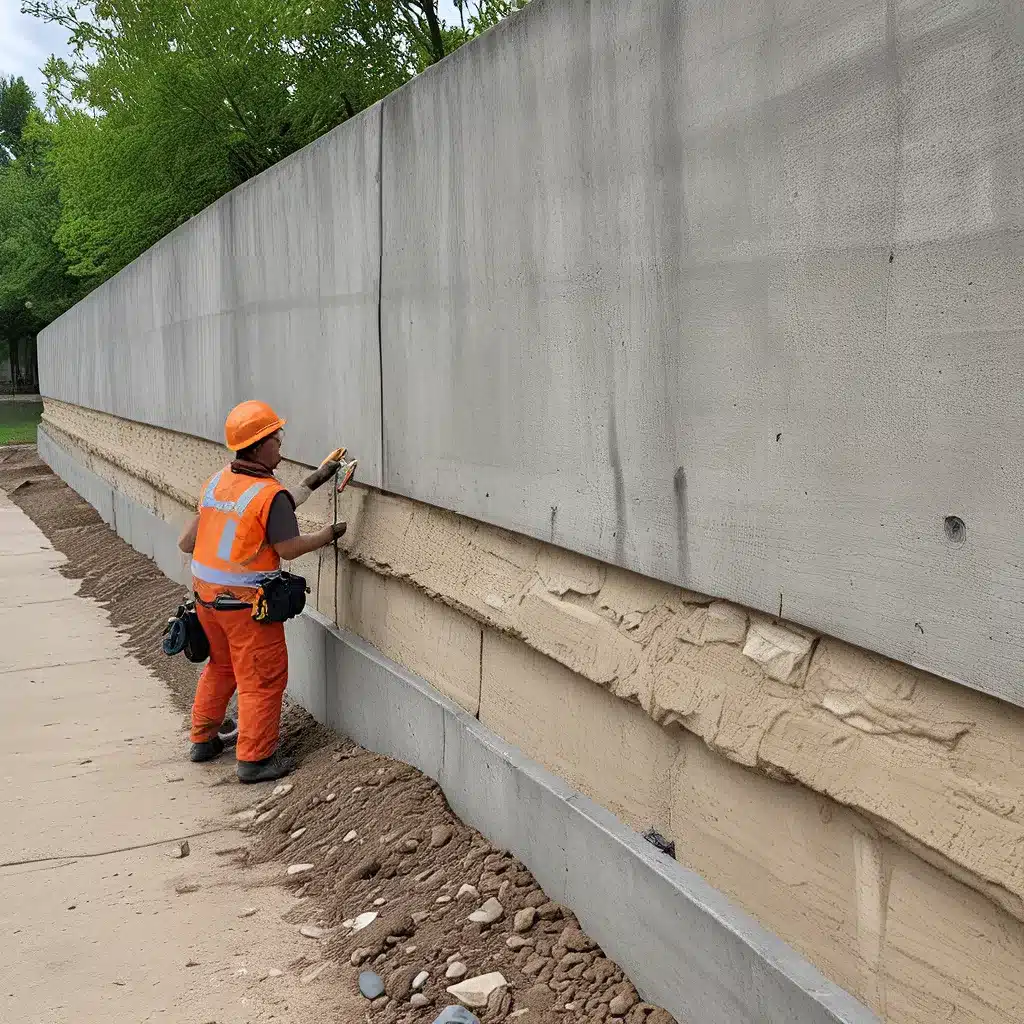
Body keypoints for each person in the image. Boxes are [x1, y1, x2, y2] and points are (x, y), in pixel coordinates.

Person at [177, 399, 346, 783]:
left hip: (206, 601)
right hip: (247, 609)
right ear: (257, 446)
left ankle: (203, 739)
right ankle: (255, 760)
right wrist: (326, 535)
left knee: (220, 667)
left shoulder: (219, 481)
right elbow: (286, 545)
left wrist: (317, 478)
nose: (281, 446)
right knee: (261, 680)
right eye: (276, 439)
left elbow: (187, 542)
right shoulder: (268, 495)